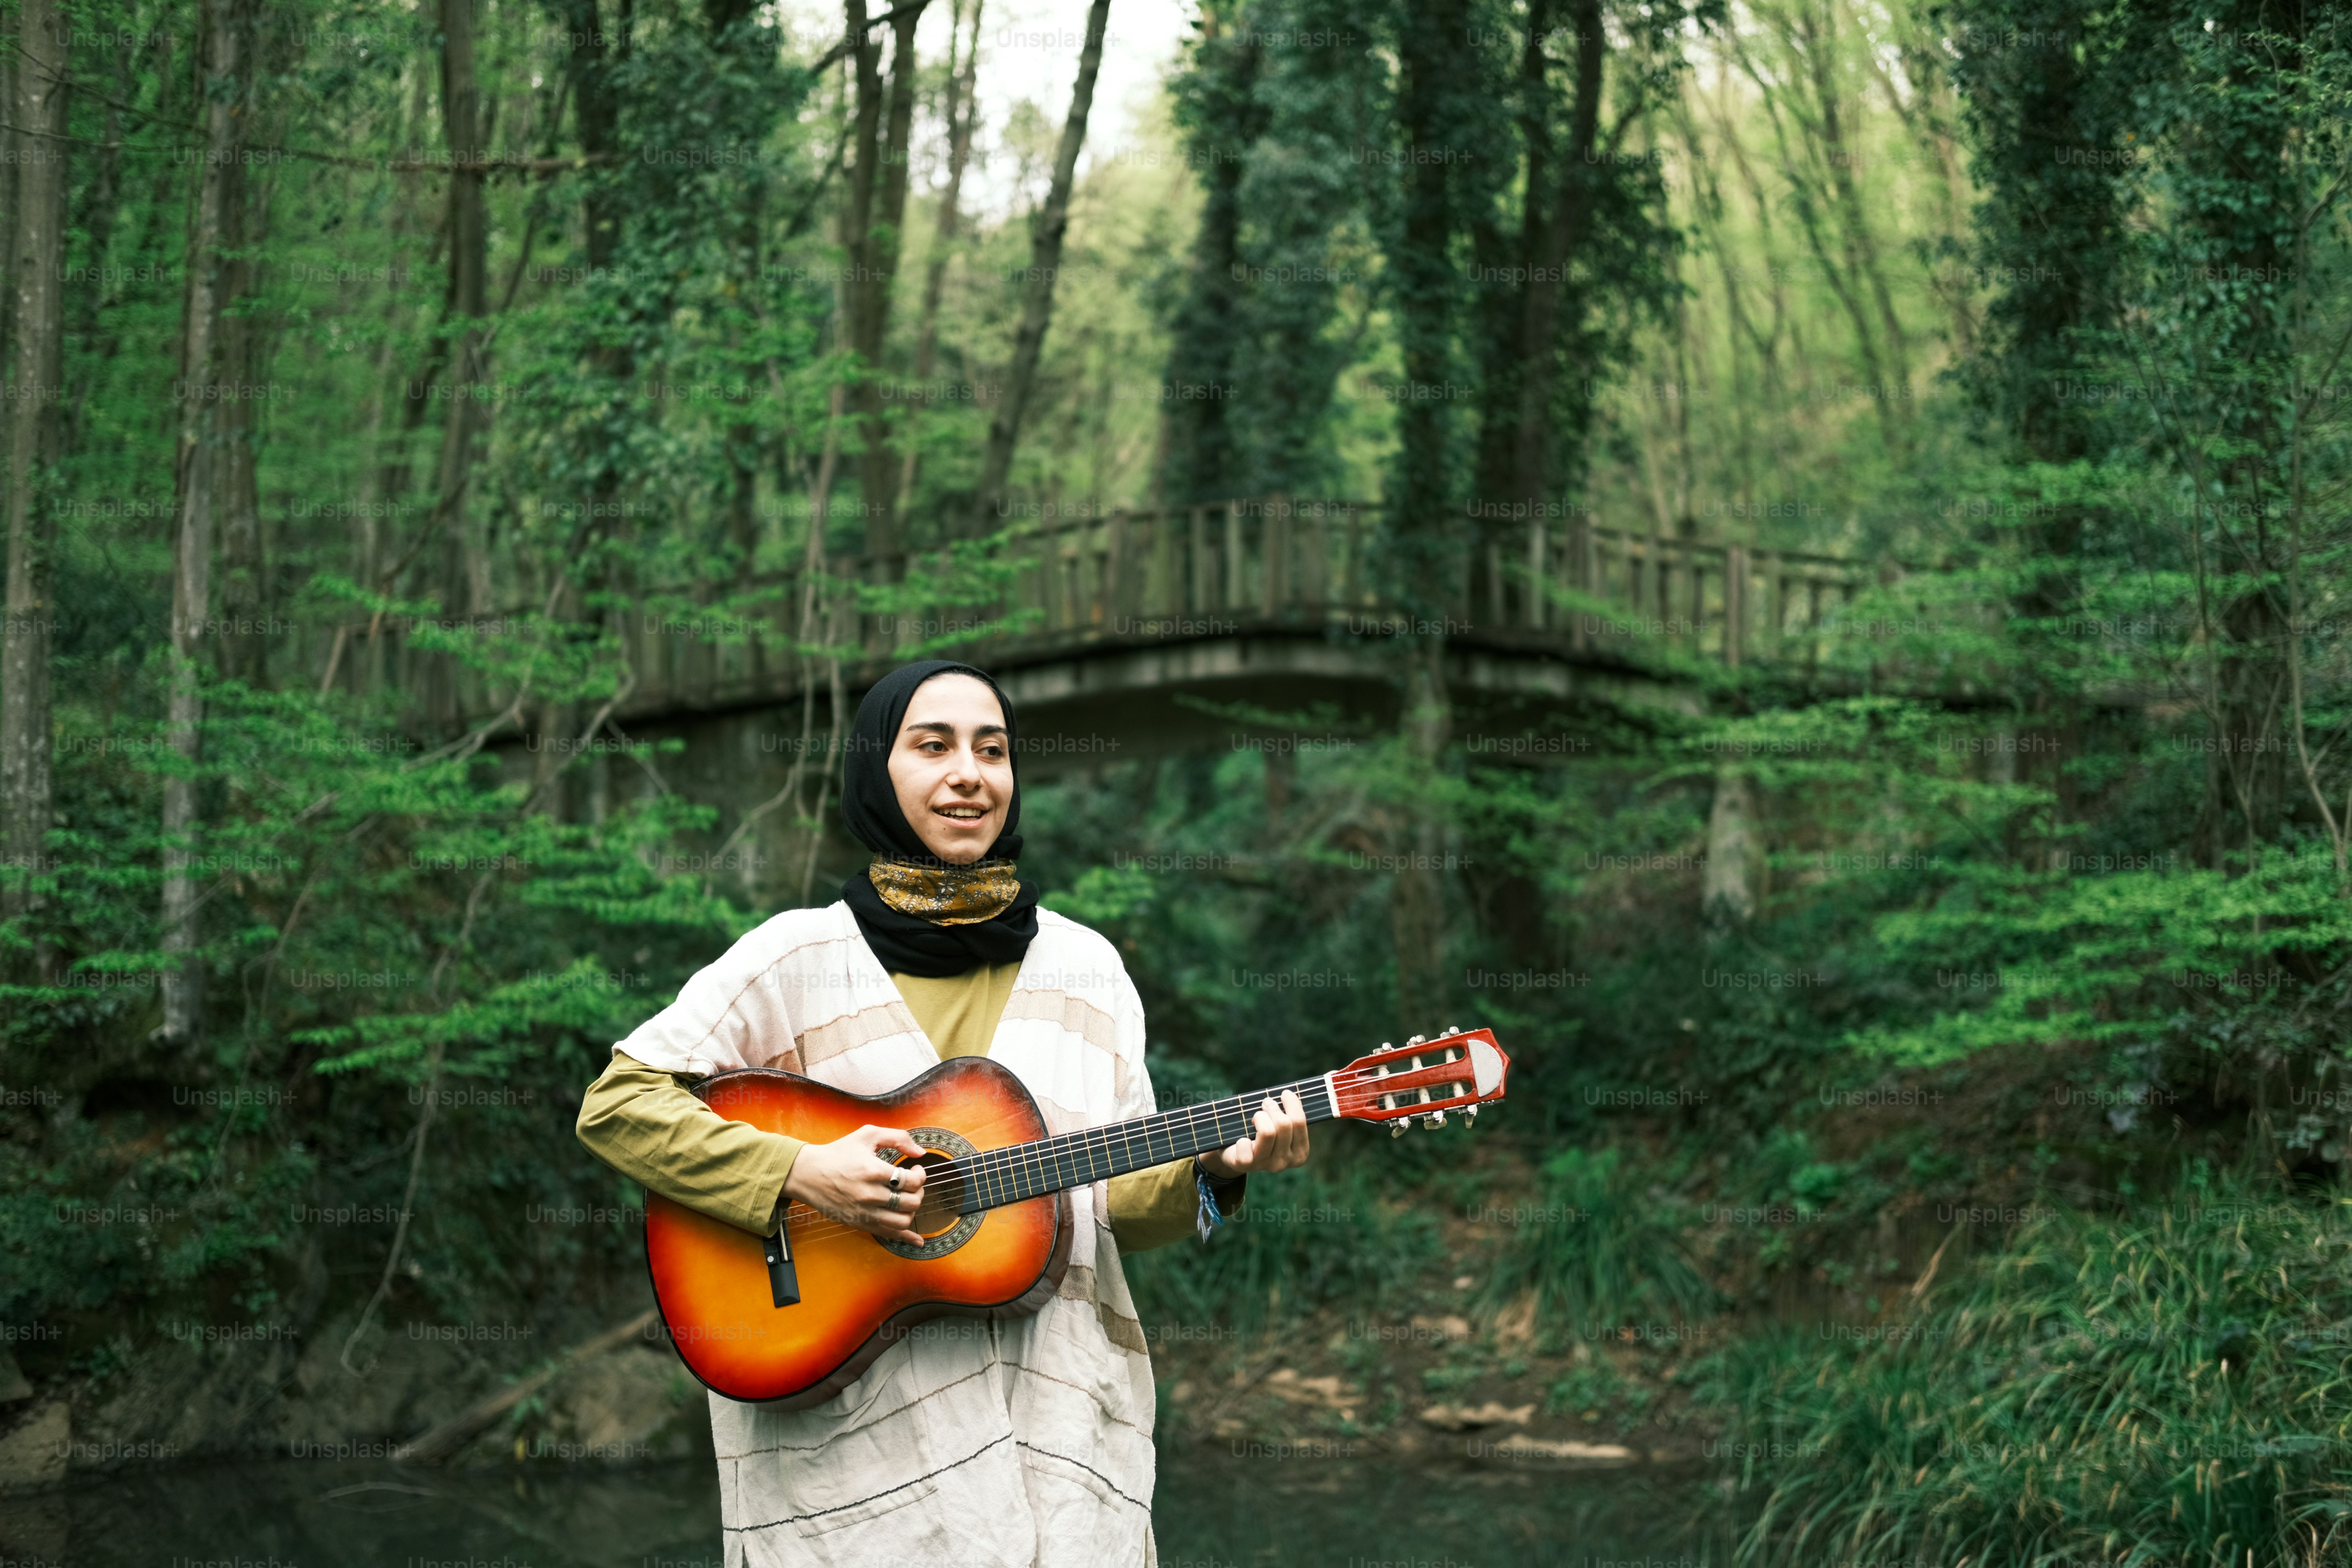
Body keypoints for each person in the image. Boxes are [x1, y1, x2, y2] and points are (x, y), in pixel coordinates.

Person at [577, 659, 1310, 1566]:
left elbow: (1113, 1203)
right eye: (934, 745)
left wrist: (1215, 1170)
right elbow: (618, 1103)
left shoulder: (1089, 969)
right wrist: (803, 1173)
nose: (970, 771)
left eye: (993, 749)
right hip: (856, 1476)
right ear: (876, 771)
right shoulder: (795, 955)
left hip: (1063, 1447)